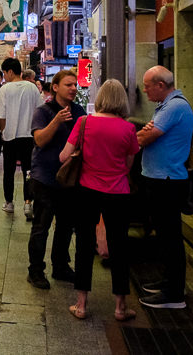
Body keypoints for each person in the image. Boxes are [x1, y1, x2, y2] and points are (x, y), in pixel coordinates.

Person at [60, 79, 140, 321]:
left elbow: (64, 156)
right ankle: (120, 307)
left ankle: (81, 304)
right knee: (120, 247)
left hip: (87, 191)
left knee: (84, 245)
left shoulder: (84, 122)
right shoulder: (129, 129)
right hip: (118, 193)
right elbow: (128, 165)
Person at [136, 66, 193, 309]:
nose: (145, 89)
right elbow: (144, 133)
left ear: (161, 85)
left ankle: (174, 294)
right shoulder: (165, 107)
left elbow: (143, 138)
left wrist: (145, 133)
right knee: (165, 236)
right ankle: (169, 283)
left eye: (148, 85)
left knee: (170, 237)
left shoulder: (175, 107)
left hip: (167, 182)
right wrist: (145, 131)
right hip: (160, 179)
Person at [27, 70, 85, 289]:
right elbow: (39, 140)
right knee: (41, 226)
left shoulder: (79, 111)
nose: (73, 88)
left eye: (74, 85)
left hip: (69, 178)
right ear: (56, 87)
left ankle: (60, 266)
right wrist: (57, 121)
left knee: (65, 225)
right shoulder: (43, 112)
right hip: (44, 177)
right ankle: (35, 271)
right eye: (68, 85)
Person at [0, 58, 42, 219]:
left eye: (4, 73)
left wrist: (3, 131)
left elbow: (1, 115)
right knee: (28, 171)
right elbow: (39, 111)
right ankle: (28, 203)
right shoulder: (32, 88)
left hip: (10, 137)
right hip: (29, 136)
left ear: (9, 71)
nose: (4, 76)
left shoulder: (5, 89)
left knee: (8, 170)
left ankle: (9, 203)